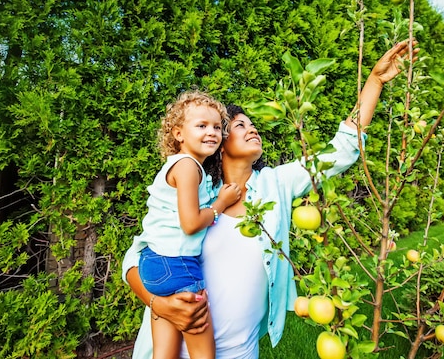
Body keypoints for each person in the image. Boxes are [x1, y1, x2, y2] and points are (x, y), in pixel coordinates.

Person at [122, 40, 419, 359]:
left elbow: (343, 150)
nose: (252, 129)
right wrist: (158, 303)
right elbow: (136, 257)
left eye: (253, 125)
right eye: (240, 125)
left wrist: (374, 81)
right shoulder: (197, 188)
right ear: (220, 141)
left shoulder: (276, 183)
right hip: (174, 346)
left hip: (241, 352)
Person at [135, 90, 242, 359]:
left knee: (164, 352)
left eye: (217, 127)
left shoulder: (181, 166)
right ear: (178, 133)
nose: (212, 132)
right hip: (177, 265)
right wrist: (221, 203)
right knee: (203, 350)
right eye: (202, 126)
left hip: (154, 261)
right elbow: (191, 223)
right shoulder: (187, 167)